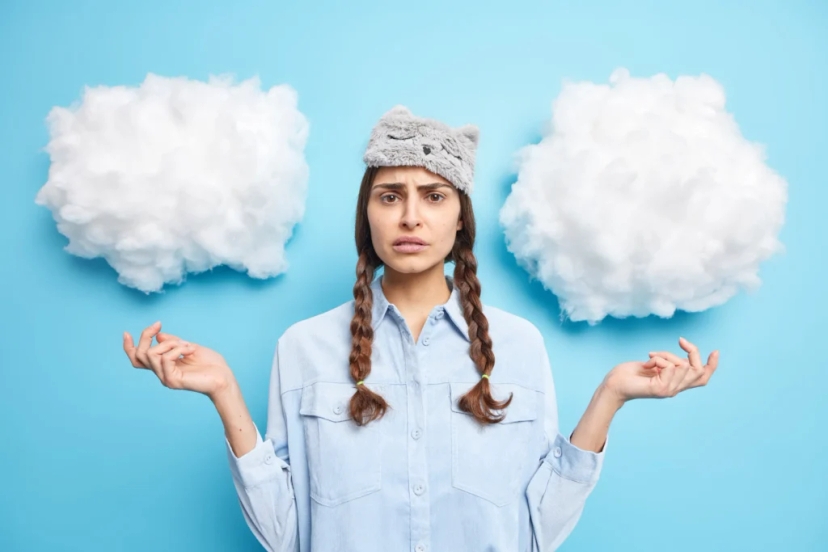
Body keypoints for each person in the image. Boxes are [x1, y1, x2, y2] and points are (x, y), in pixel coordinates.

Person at [123, 105, 720, 552]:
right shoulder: (302, 346)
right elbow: (285, 536)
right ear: (368, 216)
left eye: (433, 196)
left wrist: (612, 395)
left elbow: (538, 531)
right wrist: (225, 392)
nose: (411, 215)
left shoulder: (518, 346)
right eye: (390, 196)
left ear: (461, 219)